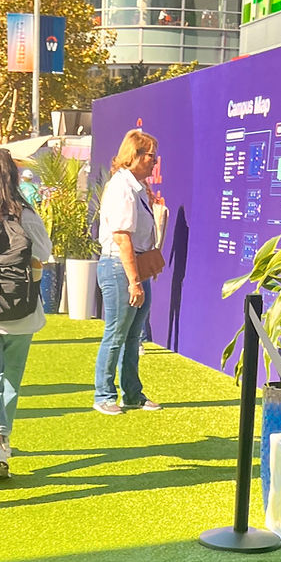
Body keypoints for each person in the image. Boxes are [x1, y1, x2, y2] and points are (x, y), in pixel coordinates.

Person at [0, 148, 52, 482]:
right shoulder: (26, 215)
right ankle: (3, 442)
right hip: (23, 310)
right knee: (10, 381)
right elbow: (44, 253)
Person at [93, 129, 163, 415]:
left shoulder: (135, 186)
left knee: (133, 335)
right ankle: (104, 394)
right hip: (119, 266)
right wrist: (134, 281)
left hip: (134, 265)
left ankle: (132, 393)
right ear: (134, 155)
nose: (154, 162)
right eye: (151, 156)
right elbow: (122, 237)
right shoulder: (122, 187)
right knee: (116, 333)